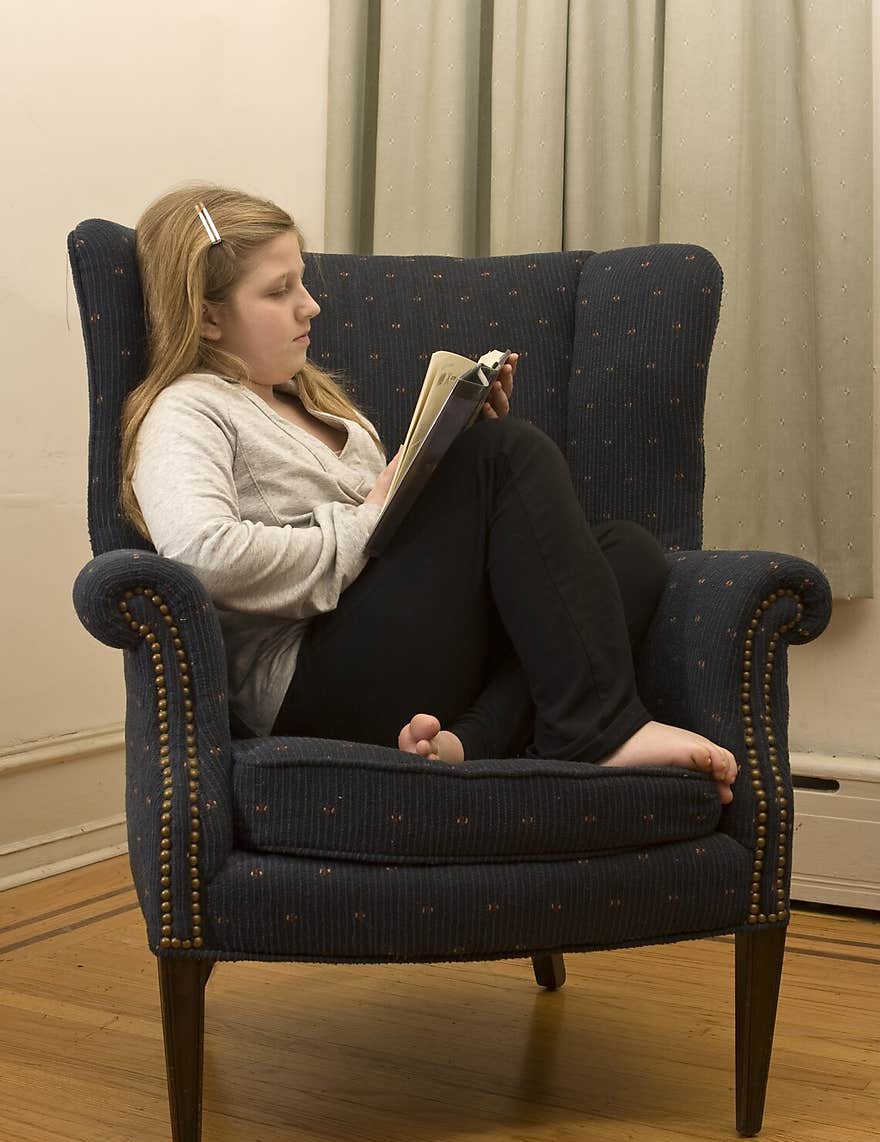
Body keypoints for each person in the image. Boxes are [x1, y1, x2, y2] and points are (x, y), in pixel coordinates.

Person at [124, 184, 738, 803]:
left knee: (627, 552)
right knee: (506, 457)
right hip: (311, 679)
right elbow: (200, 554)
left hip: (397, 650)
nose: (309, 307)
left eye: (302, 284)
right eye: (279, 291)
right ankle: (600, 732)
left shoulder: (315, 403)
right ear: (207, 315)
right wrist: (377, 514)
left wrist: (458, 465)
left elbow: (399, 546)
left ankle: (468, 743)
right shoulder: (189, 408)